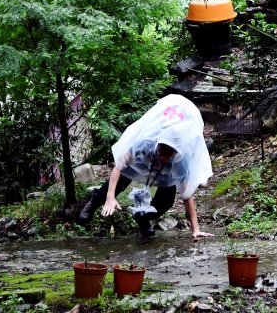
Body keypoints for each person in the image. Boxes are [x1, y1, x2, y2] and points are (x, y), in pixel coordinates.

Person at [78, 94, 215, 243]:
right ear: (158, 145)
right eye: (161, 152)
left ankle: (143, 217)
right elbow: (118, 167)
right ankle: (94, 202)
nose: (162, 158)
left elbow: (187, 195)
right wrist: (110, 197)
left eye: (167, 155)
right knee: (123, 178)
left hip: (167, 171)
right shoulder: (143, 144)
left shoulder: (180, 162)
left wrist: (195, 229)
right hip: (144, 158)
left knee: (166, 201)